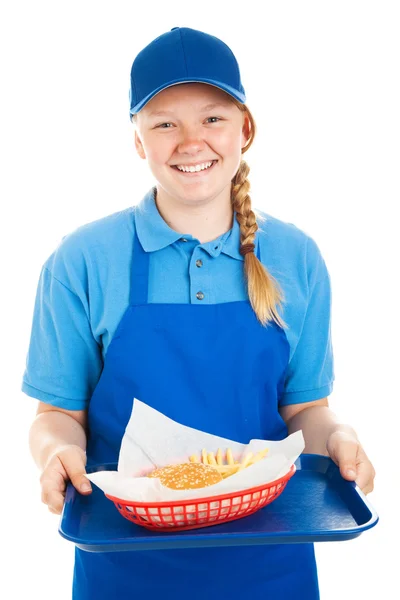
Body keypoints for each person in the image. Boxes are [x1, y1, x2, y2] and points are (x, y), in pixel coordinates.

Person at [23, 26, 375, 599]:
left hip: (270, 560)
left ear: (245, 129)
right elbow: (56, 413)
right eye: (164, 123)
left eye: (212, 118)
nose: (191, 142)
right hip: (126, 562)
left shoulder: (295, 256)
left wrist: (336, 438)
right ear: (138, 140)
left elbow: (306, 409)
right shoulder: (83, 260)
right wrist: (58, 451)